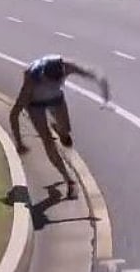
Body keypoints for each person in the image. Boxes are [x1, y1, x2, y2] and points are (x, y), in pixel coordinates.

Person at [9, 55, 109, 200]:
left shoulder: (66, 66)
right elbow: (14, 114)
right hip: (35, 103)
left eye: (56, 82)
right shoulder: (31, 79)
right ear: (43, 77)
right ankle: (69, 179)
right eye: (49, 83)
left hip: (56, 99)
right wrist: (19, 142)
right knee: (47, 141)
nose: (52, 85)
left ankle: (59, 129)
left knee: (66, 137)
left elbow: (93, 74)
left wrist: (104, 92)